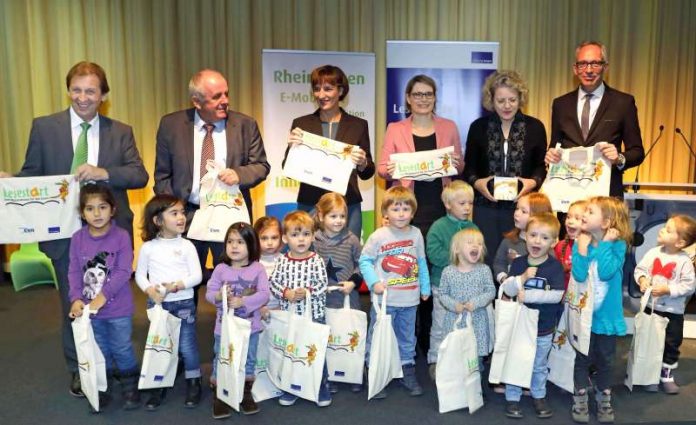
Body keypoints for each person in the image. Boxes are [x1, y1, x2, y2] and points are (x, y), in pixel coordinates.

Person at [0, 61, 148, 396]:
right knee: (74, 299)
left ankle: (114, 361)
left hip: (110, 234)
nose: (83, 97)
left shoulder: (120, 131)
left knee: (112, 296)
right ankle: (80, 367)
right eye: (77, 90)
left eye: (91, 91)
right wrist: (12, 182)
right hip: (63, 233)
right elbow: (33, 174)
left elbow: (139, 175)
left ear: (103, 95)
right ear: (69, 90)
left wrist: (103, 171)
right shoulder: (44, 128)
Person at [154, 68, 270, 284]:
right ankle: (183, 319)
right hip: (185, 216)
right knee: (182, 282)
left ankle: (230, 318)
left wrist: (239, 174)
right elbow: (162, 175)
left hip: (228, 216)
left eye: (226, 94)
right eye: (217, 96)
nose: (225, 100)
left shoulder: (245, 125)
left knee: (232, 282)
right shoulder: (171, 125)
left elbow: (261, 165)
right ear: (196, 101)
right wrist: (172, 212)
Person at [378, 74, 464, 356]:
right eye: (417, 94)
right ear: (408, 98)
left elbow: (459, 165)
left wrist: (454, 163)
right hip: (407, 212)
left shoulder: (449, 127)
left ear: (434, 97)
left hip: (440, 210)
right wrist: (391, 169)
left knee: (434, 273)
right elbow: (381, 169)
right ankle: (406, 336)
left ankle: (430, 335)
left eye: (428, 94)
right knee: (407, 271)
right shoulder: (395, 129)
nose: (423, 99)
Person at [67, 184, 141, 411]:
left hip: (117, 309)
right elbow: (73, 271)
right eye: (90, 209)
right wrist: (76, 298)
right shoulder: (78, 238)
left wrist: (102, 297)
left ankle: (130, 386)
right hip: (90, 313)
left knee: (121, 348)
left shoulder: (121, 236)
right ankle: (104, 386)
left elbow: (122, 271)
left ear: (113, 209)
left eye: (102, 207)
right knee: (100, 349)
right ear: (82, 213)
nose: (97, 214)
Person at [463, 70, 547, 265]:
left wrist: (532, 182)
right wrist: (478, 183)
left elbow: (541, 166)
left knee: (521, 259)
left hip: (523, 208)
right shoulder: (478, 127)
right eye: (501, 101)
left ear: (520, 98)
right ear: (491, 100)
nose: (507, 106)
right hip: (486, 207)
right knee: (488, 258)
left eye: (512, 100)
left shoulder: (535, 127)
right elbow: (469, 169)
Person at [545, 41, 644, 198]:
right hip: (569, 196)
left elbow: (638, 152)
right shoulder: (560, 104)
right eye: (583, 64)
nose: (589, 70)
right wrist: (551, 156)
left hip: (606, 197)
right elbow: (555, 146)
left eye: (595, 64)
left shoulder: (623, 103)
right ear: (575, 69)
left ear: (605, 67)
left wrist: (619, 158)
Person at [285, 65, 374, 239]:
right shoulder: (302, 124)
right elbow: (288, 170)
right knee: (307, 256)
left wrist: (363, 162)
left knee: (348, 257)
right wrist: (291, 149)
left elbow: (368, 172)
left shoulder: (358, 125)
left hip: (348, 204)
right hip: (311, 203)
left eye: (328, 89)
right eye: (317, 89)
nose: (321, 95)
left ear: (340, 91)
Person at [359, 186, 431, 398]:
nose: (401, 214)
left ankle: (406, 369)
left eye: (406, 209)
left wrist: (424, 287)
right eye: (396, 209)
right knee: (378, 336)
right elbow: (365, 261)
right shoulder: (379, 235)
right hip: (385, 300)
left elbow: (421, 261)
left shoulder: (416, 234)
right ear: (385, 213)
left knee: (407, 337)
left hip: (409, 299)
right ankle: (374, 370)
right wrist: (374, 283)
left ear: (413, 212)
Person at [134, 194, 203, 410]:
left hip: (182, 303)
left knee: (186, 346)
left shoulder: (187, 246)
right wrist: (149, 290)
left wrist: (177, 285)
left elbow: (197, 277)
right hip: (158, 305)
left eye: (182, 212)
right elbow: (139, 275)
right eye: (174, 213)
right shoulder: (148, 247)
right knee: (161, 345)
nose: (181, 217)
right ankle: (159, 383)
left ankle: (194, 381)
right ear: (157, 221)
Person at [570, 196, 631, 423]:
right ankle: (580, 395)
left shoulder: (618, 246)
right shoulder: (581, 243)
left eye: (590, 212)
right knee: (582, 358)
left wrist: (605, 244)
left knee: (605, 359)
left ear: (606, 223)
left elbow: (606, 272)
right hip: (585, 318)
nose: (584, 215)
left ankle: (604, 395)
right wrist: (582, 250)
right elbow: (578, 274)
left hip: (606, 318)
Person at [500, 213, 565, 419]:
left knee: (539, 365)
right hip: (519, 326)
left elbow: (556, 296)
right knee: (516, 359)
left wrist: (528, 294)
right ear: (525, 236)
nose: (538, 241)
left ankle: (539, 395)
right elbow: (508, 290)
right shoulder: (519, 263)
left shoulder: (554, 267)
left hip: (543, 327)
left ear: (554, 242)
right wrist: (522, 278)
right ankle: (512, 396)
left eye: (545, 238)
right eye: (534, 235)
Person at [206, 222, 270, 418]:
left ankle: (245, 393)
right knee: (222, 359)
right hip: (224, 329)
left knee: (248, 361)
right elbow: (209, 293)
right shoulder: (220, 269)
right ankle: (220, 396)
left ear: (251, 245)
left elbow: (264, 295)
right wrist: (220, 296)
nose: (234, 246)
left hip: (251, 328)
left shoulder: (258, 268)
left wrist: (243, 301)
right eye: (230, 241)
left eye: (240, 242)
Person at [268, 211, 331, 407]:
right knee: (293, 351)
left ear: (312, 236)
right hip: (291, 316)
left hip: (314, 315)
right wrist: (285, 292)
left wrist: (307, 291)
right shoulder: (282, 261)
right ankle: (290, 385)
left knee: (315, 350)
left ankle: (320, 385)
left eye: (305, 234)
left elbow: (323, 284)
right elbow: (274, 283)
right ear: (285, 238)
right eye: (295, 235)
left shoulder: (316, 260)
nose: (301, 239)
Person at [634, 215, 696, 394]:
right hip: (651, 308)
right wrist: (643, 280)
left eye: (668, 230)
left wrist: (668, 289)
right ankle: (649, 375)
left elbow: (689, 286)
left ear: (680, 242)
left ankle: (666, 375)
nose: (662, 230)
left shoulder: (684, 261)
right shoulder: (653, 253)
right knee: (649, 342)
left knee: (671, 343)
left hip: (672, 312)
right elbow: (641, 270)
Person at [425, 180, 479, 374]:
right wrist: (458, 259)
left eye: (470, 203)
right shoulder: (438, 227)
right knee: (440, 324)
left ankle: (459, 360)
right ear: (448, 204)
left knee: (464, 324)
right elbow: (433, 253)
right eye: (462, 203)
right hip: (442, 286)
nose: (467, 208)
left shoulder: (472, 227)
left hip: (467, 287)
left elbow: (479, 253)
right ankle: (435, 360)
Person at [313, 192, 363, 393]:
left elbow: (363, 264)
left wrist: (353, 282)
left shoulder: (351, 240)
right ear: (321, 216)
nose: (339, 221)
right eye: (333, 216)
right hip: (323, 298)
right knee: (329, 335)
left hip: (348, 297)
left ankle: (354, 373)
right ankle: (330, 373)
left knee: (350, 334)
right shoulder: (314, 240)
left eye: (342, 216)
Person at [437, 228, 495, 378]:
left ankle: (474, 387)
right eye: (470, 243)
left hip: (478, 321)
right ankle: (457, 388)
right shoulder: (448, 271)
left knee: (475, 358)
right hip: (454, 321)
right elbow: (442, 294)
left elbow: (490, 291)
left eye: (480, 244)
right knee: (455, 355)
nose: (476, 246)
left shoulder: (484, 270)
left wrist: (476, 302)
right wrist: (453, 305)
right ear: (456, 249)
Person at [493, 192, 553, 287]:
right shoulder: (508, 241)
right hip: (511, 294)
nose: (516, 213)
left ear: (537, 217)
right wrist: (504, 279)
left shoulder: (546, 247)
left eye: (523, 211)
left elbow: (551, 271)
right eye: (517, 208)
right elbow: (499, 263)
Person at [553, 200, 588, 288]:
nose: (570, 221)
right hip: (564, 297)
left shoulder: (591, 246)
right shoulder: (559, 246)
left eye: (577, 218)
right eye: (568, 217)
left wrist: (570, 269)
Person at [254, 216, 283, 319]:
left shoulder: (285, 261)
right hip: (257, 312)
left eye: (274, 237)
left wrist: (282, 307)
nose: (270, 243)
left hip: (280, 311)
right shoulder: (252, 262)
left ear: (281, 238)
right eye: (264, 238)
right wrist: (259, 308)